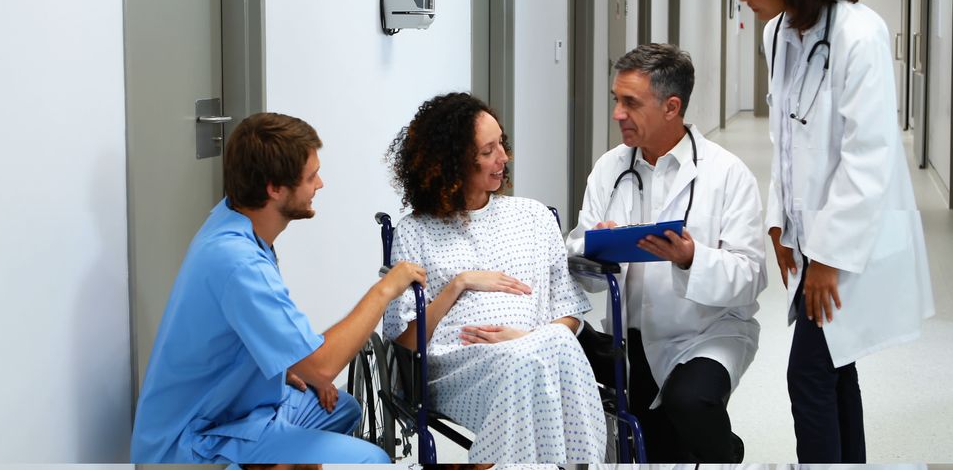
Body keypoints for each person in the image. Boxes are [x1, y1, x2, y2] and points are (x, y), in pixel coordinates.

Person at [719, 0, 935, 463]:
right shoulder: (777, 33)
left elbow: (867, 156)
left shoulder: (860, 34)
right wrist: (779, 221)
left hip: (851, 238)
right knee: (837, 370)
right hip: (811, 229)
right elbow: (787, 136)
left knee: (807, 376)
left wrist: (829, 260)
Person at [131, 113, 427, 464]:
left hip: (238, 408)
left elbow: (241, 329)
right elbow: (322, 366)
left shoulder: (235, 220)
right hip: (195, 440)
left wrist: (287, 366)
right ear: (274, 188)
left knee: (341, 409)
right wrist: (386, 288)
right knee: (370, 460)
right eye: (311, 176)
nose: (320, 184)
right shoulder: (238, 262)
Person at [566, 43, 766, 462]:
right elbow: (578, 265)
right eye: (616, 100)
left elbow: (750, 276)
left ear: (671, 106)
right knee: (650, 446)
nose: (618, 113)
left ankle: (726, 453)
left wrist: (692, 259)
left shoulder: (727, 175)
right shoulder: (609, 169)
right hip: (633, 335)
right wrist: (595, 247)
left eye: (630, 103)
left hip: (708, 333)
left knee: (690, 404)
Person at [383, 92, 607, 463]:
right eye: (488, 151)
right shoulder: (415, 232)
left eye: (501, 142)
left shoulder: (534, 218)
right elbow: (407, 343)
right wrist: (459, 284)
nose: (504, 157)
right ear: (452, 163)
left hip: (534, 357)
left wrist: (527, 340)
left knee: (546, 349)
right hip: (455, 371)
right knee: (531, 360)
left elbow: (569, 312)